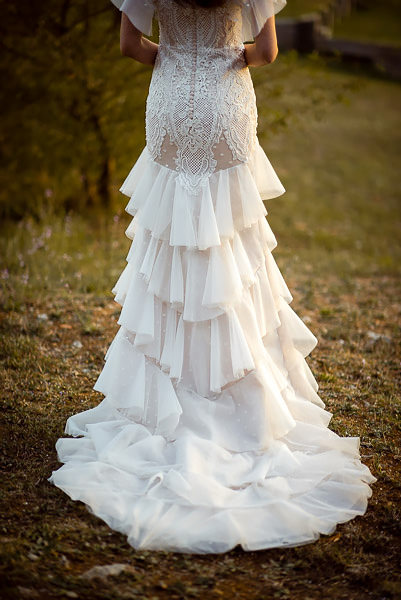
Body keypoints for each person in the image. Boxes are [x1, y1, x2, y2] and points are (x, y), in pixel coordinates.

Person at [47, 0, 377, 554]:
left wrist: (176, 58)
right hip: (225, 104)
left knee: (173, 237)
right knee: (229, 241)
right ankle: (237, 390)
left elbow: (130, 47)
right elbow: (266, 52)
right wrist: (222, 57)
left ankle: (171, 395)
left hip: (172, 101)